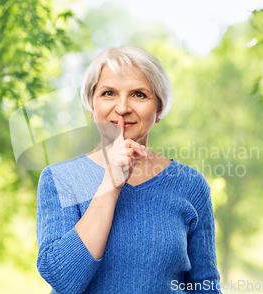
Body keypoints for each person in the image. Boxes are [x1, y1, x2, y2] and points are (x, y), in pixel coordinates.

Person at [36, 45, 222, 293]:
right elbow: (62, 280)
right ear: (92, 106)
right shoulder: (59, 179)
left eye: (139, 95)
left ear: (159, 109)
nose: (122, 108)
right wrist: (110, 185)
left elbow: (205, 286)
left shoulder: (190, 185)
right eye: (109, 93)